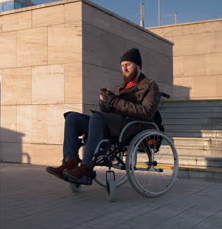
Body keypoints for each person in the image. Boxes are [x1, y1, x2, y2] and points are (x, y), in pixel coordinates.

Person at [46, 48, 161, 182]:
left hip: (130, 125)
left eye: (128, 64)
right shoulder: (119, 88)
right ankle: (70, 162)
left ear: (138, 65)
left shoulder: (150, 86)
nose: (125, 68)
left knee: (97, 117)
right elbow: (108, 111)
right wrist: (105, 103)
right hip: (111, 123)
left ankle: (86, 169)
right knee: (72, 117)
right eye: (122, 66)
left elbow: (146, 112)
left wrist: (115, 102)